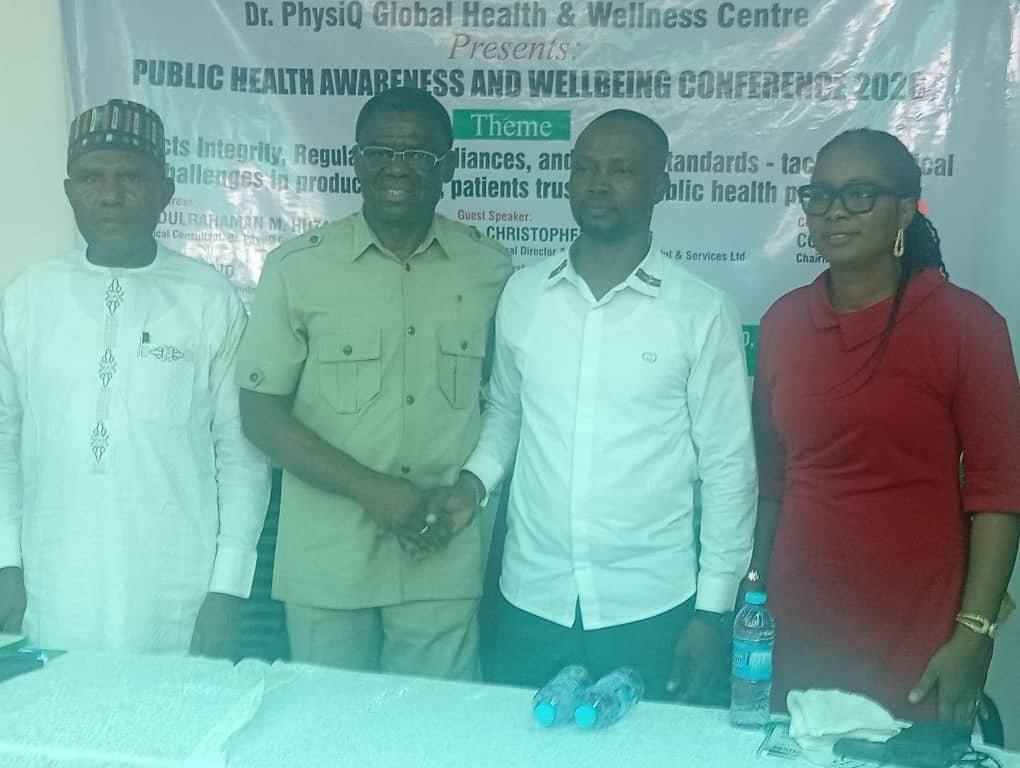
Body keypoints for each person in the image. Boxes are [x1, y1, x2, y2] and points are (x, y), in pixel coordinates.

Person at [430, 110, 758, 700]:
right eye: (584, 168)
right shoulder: (525, 294)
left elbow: (728, 467)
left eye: (621, 170)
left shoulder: (700, 311)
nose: (598, 184)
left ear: (661, 185)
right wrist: (472, 485)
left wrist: (712, 613)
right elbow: (505, 416)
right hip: (531, 597)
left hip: (652, 605)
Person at [236, 87, 511, 679]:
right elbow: (260, 413)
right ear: (355, 161)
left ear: (449, 168)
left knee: (433, 724)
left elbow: (506, 406)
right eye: (381, 152)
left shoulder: (491, 269)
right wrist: (371, 489)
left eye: (419, 155)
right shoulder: (297, 267)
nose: (398, 167)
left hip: (441, 550)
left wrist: (469, 489)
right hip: (328, 560)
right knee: (330, 725)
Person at [749, 128, 1020, 723]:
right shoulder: (783, 323)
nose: (835, 211)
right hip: (797, 614)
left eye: (859, 194)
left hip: (916, 620)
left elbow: (1000, 491)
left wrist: (973, 633)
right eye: (820, 195)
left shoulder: (966, 324)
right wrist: (754, 592)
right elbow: (772, 477)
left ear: (904, 210)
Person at [0, 98, 270, 656]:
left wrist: (228, 587)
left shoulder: (209, 298)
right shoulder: (28, 295)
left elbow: (241, 454)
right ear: (69, 191)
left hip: (176, 589)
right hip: (52, 581)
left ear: (165, 192)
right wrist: (6, 561)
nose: (110, 195)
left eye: (131, 178)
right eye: (91, 178)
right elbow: (4, 438)